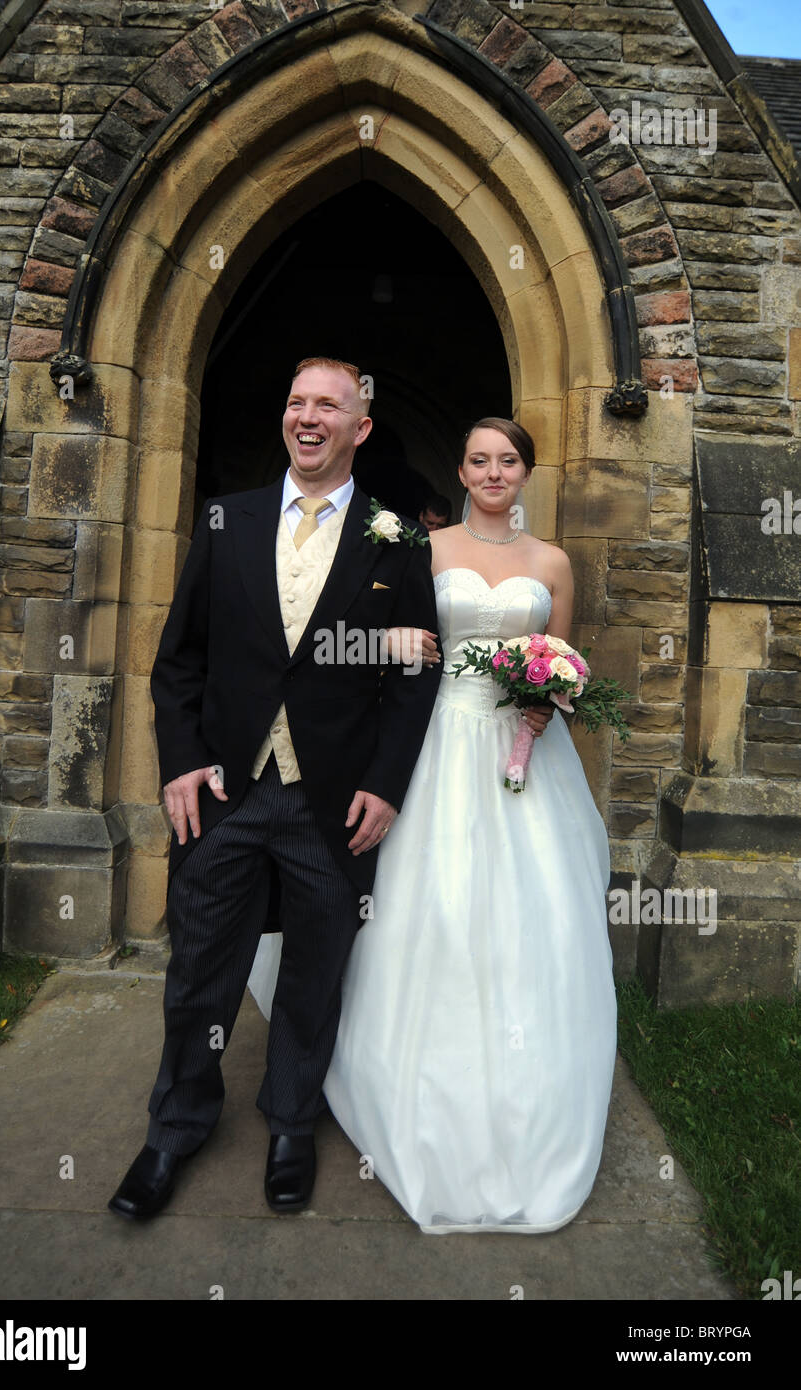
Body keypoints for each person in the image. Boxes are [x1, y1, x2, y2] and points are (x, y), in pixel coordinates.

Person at [250, 416, 617, 1233]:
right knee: (425, 906)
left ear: (526, 472)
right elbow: (371, 641)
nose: (494, 472)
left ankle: (525, 1082)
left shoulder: (552, 562)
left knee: (529, 918)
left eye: (509, 461)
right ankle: (392, 1071)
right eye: (480, 459)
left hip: (518, 754)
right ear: (460, 469)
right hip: (432, 743)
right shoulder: (426, 549)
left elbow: (563, 664)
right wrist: (390, 640)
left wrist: (543, 704)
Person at [108, 357, 442, 1221]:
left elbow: (413, 677)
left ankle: (292, 1120)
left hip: (332, 800)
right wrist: (181, 760)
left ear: (359, 428)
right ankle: (174, 1128)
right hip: (225, 788)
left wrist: (386, 784)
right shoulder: (229, 520)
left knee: (315, 970)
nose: (307, 416)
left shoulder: (396, 535)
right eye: (296, 400)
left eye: (327, 404)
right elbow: (179, 657)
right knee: (199, 970)